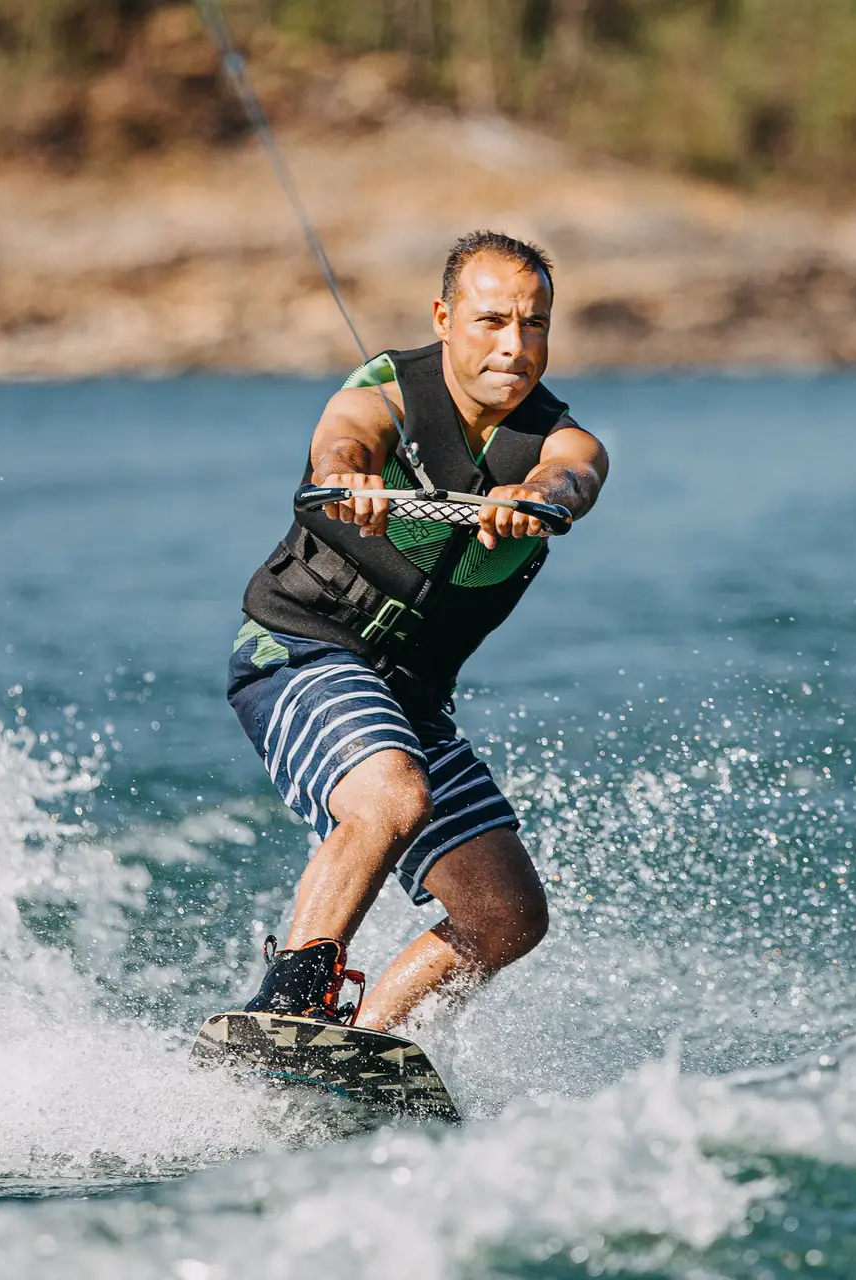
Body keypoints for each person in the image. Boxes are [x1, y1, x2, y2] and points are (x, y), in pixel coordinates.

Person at [228, 229, 609, 1031]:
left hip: (412, 697)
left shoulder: (558, 438)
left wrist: (542, 498)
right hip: (300, 652)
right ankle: (291, 1002)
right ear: (443, 317)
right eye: (491, 320)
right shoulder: (386, 395)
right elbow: (346, 429)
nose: (515, 345)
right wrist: (347, 474)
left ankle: (365, 1043)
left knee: (507, 914)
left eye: (534, 324)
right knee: (392, 792)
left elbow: (576, 472)